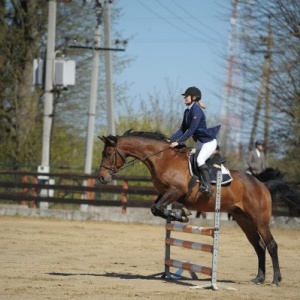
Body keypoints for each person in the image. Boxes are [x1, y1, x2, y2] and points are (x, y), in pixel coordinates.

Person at [169, 86, 221, 196]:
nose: (185, 98)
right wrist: (170, 140)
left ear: (193, 97)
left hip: (209, 142)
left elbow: (191, 130)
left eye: (186, 96)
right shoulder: (187, 111)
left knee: (200, 160)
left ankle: (207, 186)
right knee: (188, 158)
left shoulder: (197, 111)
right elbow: (182, 129)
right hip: (200, 143)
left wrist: (178, 142)